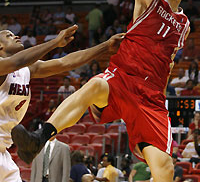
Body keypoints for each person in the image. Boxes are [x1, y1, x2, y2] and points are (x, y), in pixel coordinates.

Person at [11, 0, 192, 182]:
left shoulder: (185, 26)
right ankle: (39, 138)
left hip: (152, 97)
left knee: (164, 169)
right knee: (94, 84)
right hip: (122, 79)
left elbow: (166, 64)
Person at [0, 25, 123, 182]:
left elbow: (65, 62)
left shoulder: (26, 69)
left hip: (3, 152)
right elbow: (18, 60)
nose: (16, 36)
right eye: (9, 35)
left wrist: (105, 46)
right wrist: (55, 42)